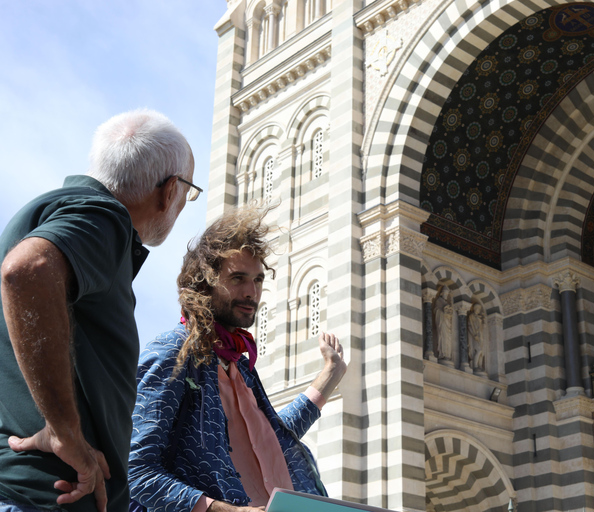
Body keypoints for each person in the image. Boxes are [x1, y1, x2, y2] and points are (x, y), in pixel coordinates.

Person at [0, 109, 197, 512]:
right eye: (189, 192)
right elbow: (27, 271)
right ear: (169, 190)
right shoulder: (104, 217)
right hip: (44, 498)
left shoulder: (54, 210)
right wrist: (64, 432)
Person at [129, 206, 347, 512]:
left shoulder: (239, 365)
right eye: (238, 278)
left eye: (258, 280)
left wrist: (330, 376)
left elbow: (269, 440)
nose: (251, 292)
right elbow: (136, 471)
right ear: (204, 282)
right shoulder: (172, 353)